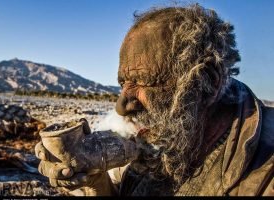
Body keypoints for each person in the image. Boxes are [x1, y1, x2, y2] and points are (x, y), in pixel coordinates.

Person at [35, 4, 274, 196]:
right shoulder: (163, 139)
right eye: (123, 83)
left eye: (142, 81)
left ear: (206, 82)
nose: (121, 106)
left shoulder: (265, 174)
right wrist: (95, 184)